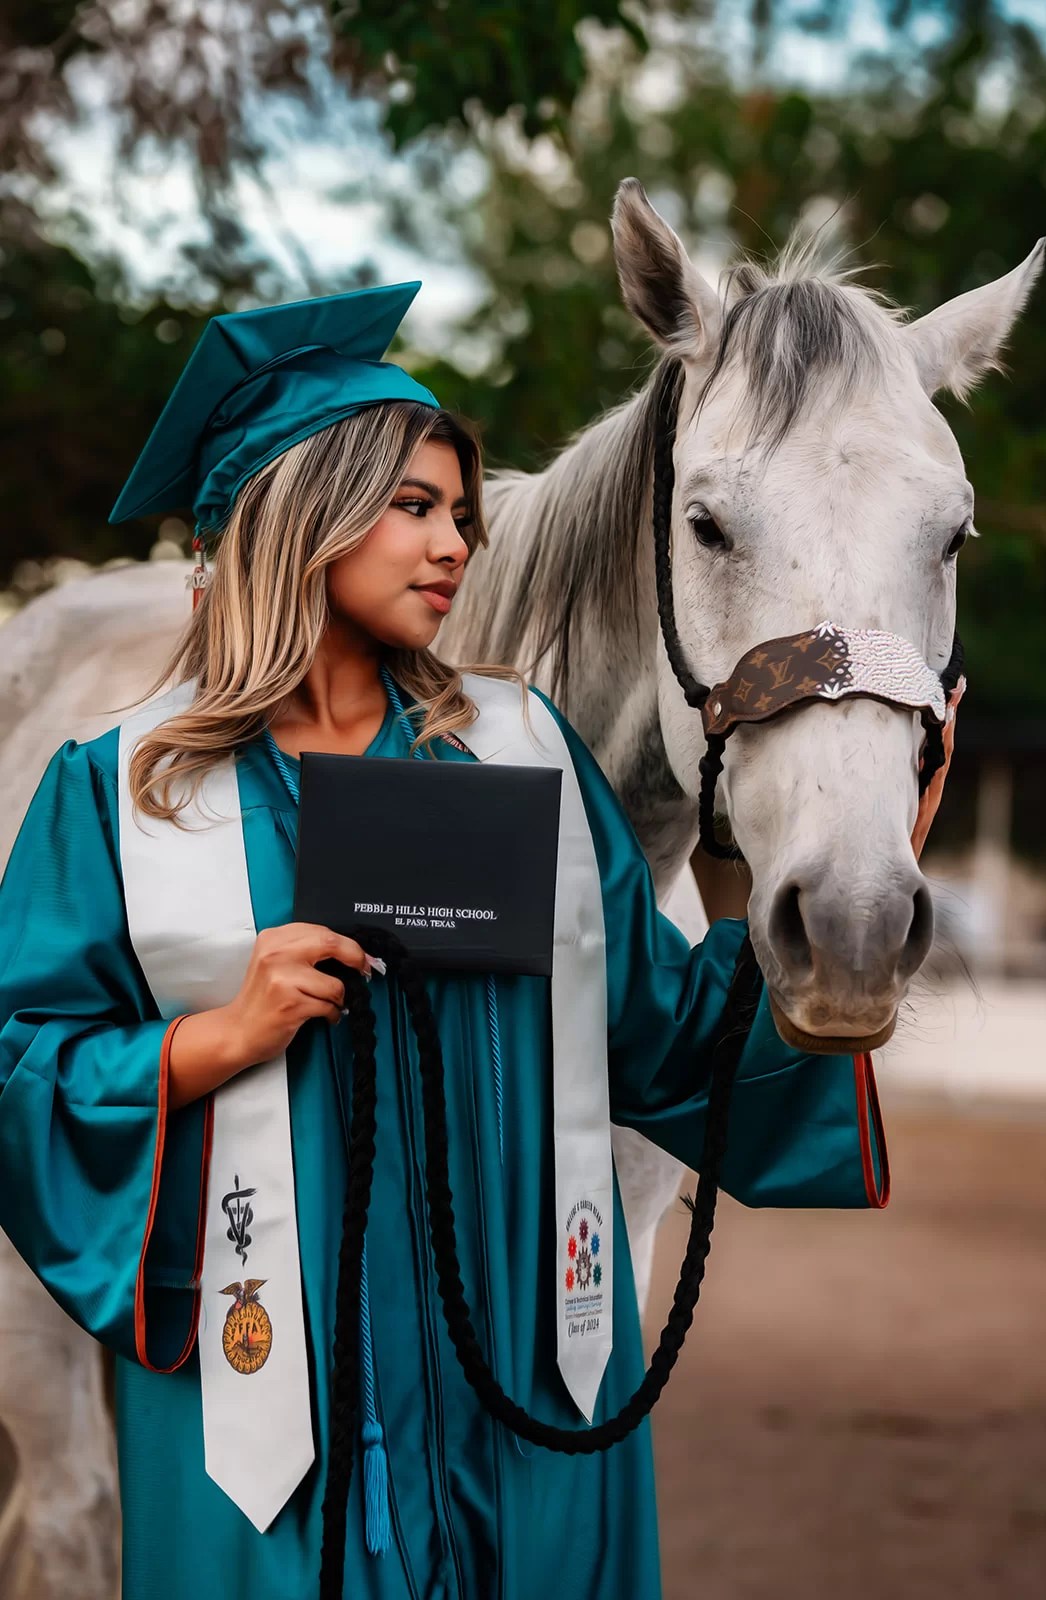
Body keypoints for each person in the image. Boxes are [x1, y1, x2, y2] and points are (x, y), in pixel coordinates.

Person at [0, 281, 950, 1600]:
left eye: (461, 512)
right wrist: (217, 1038)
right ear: (299, 520)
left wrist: (831, 909)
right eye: (415, 508)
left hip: (518, 1378)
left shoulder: (521, 755)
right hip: (267, 1404)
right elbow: (25, 1068)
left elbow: (663, 1033)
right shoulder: (118, 792)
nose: (458, 545)